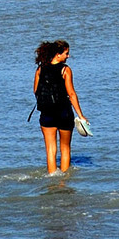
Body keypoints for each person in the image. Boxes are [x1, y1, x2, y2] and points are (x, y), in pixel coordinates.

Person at [32, 39, 87, 174]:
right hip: (64, 113)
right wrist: (81, 115)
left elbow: (35, 91)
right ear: (58, 54)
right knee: (65, 148)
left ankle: (52, 178)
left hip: (46, 113)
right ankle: (64, 181)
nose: (68, 56)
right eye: (66, 53)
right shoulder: (65, 70)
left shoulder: (40, 69)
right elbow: (72, 94)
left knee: (50, 150)